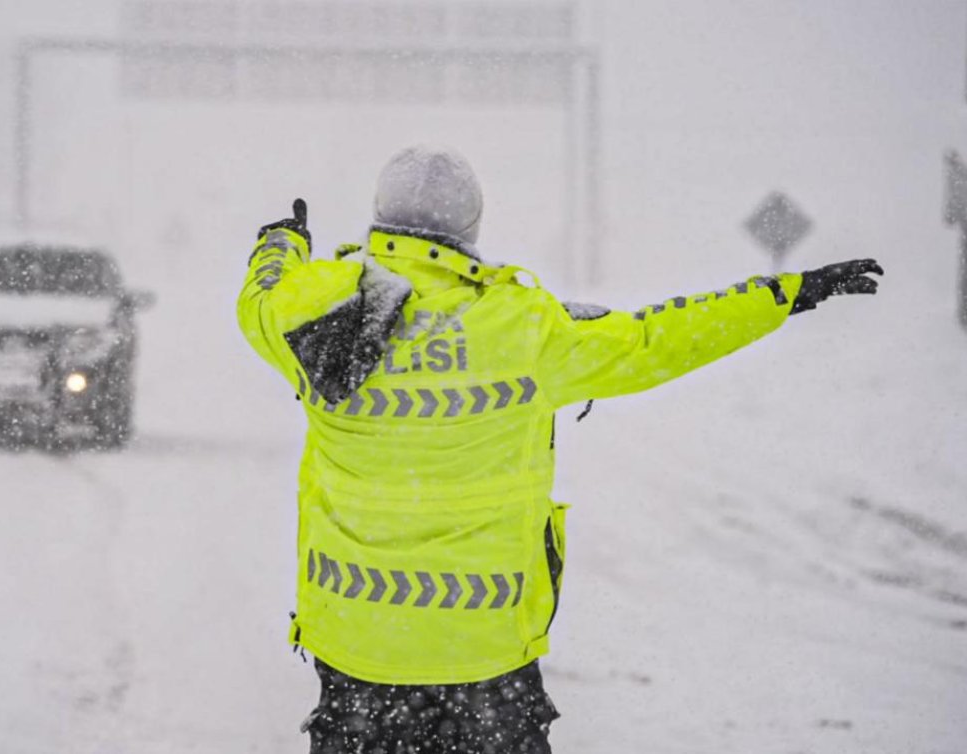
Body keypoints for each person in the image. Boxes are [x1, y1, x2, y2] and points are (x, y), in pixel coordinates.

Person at [236, 145, 882, 753]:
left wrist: (282, 242)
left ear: (381, 218)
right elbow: (658, 337)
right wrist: (784, 294)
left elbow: (259, 297)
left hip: (358, 655)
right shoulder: (525, 328)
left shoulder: (318, 314)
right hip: (485, 663)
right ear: (470, 229)